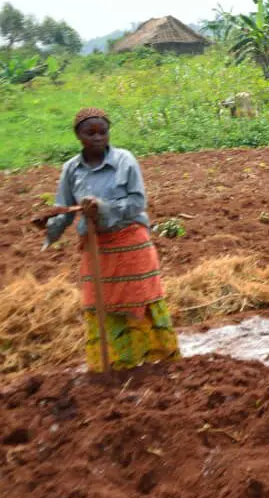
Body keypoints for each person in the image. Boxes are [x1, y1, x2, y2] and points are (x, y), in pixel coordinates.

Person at [32, 108, 180, 372]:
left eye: (103, 132)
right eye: (90, 133)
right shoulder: (71, 169)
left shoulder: (125, 160)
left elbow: (137, 202)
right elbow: (64, 209)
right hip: (96, 246)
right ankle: (112, 365)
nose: (98, 138)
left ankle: (154, 362)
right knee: (101, 304)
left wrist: (102, 207)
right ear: (78, 136)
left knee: (139, 299)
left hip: (130, 241)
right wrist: (49, 226)